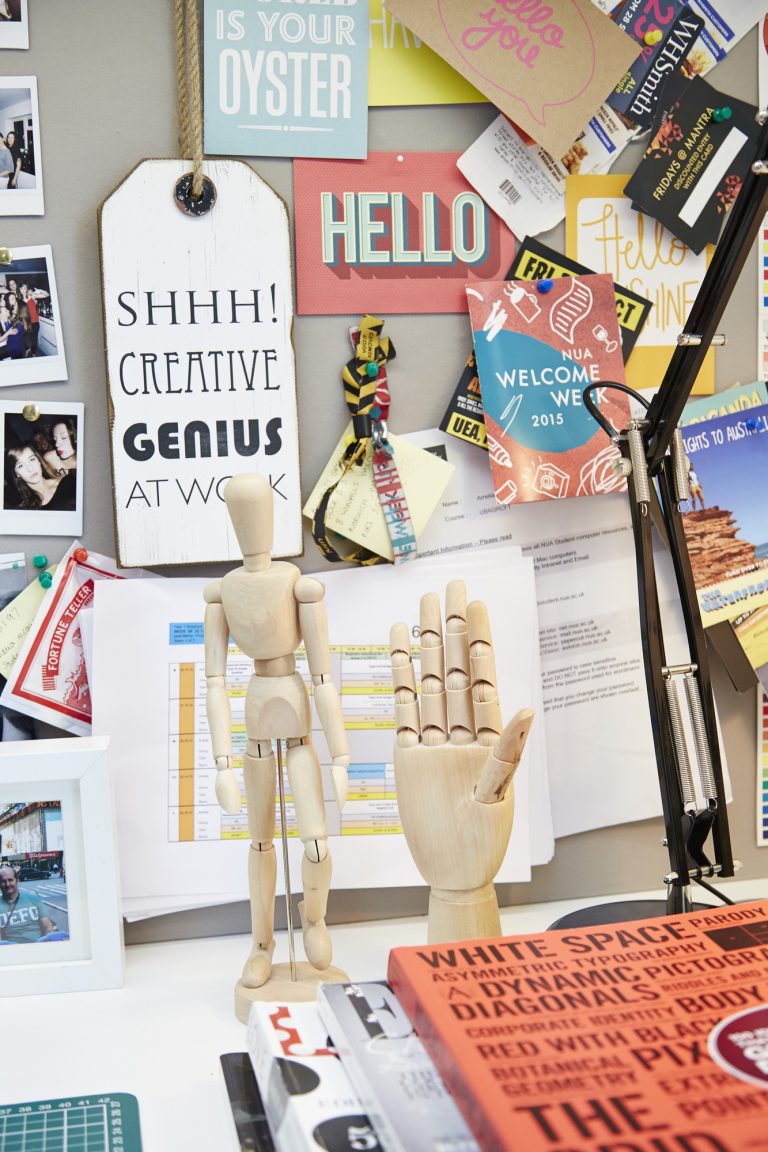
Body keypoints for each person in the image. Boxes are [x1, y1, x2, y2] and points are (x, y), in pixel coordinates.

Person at [6, 443, 76, 510]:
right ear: (17, 474)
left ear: (39, 460)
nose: (30, 469)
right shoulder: (25, 508)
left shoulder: (69, 482)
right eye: (20, 466)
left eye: (32, 459)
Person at [0, 866, 55, 942]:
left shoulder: (34, 899)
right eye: (3, 881)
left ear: (17, 880)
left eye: (10, 880)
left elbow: (47, 927)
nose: (7, 884)